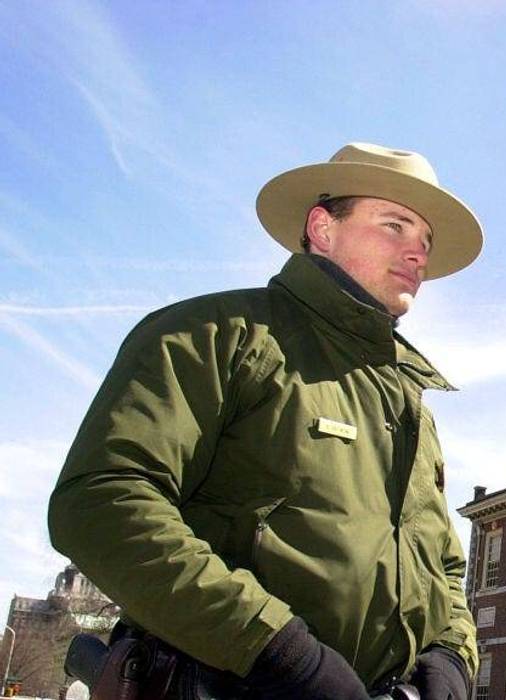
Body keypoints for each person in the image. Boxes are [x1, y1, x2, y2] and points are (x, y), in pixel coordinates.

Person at [48, 143, 483, 700]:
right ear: (323, 228)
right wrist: (282, 654)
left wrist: (450, 659)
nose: (417, 253)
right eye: (395, 226)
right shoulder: (211, 336)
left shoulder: (407, 401)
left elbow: (443, 566)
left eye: (424, 240)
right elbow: (102, 503)